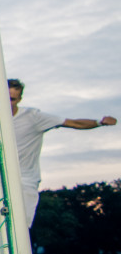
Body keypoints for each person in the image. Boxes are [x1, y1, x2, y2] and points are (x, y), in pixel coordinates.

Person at [7, 78, 115, 228]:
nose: (9, 102)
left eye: (12, 99)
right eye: (6, 98)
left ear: (19, 99)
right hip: (0, 177)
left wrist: (99, 122)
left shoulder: (33, 117)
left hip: (25, 179)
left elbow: (73, 123)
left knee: (18, 228)